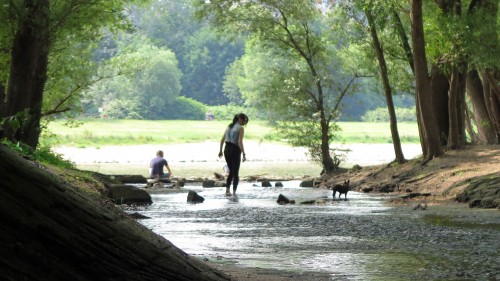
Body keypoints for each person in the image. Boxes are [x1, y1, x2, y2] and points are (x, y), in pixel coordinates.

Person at [218, 113, 248, 196]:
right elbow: (239, 142)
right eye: (244, 121)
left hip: (226, 149)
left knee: (231, 171)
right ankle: (234, 192)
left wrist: (220, 151)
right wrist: (244, 154)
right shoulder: (241, 128)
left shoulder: (229, 126)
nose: (244, 123)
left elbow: (222, 140)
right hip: (235, 149)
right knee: (236, 173)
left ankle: (227, 190)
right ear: (240, 119)